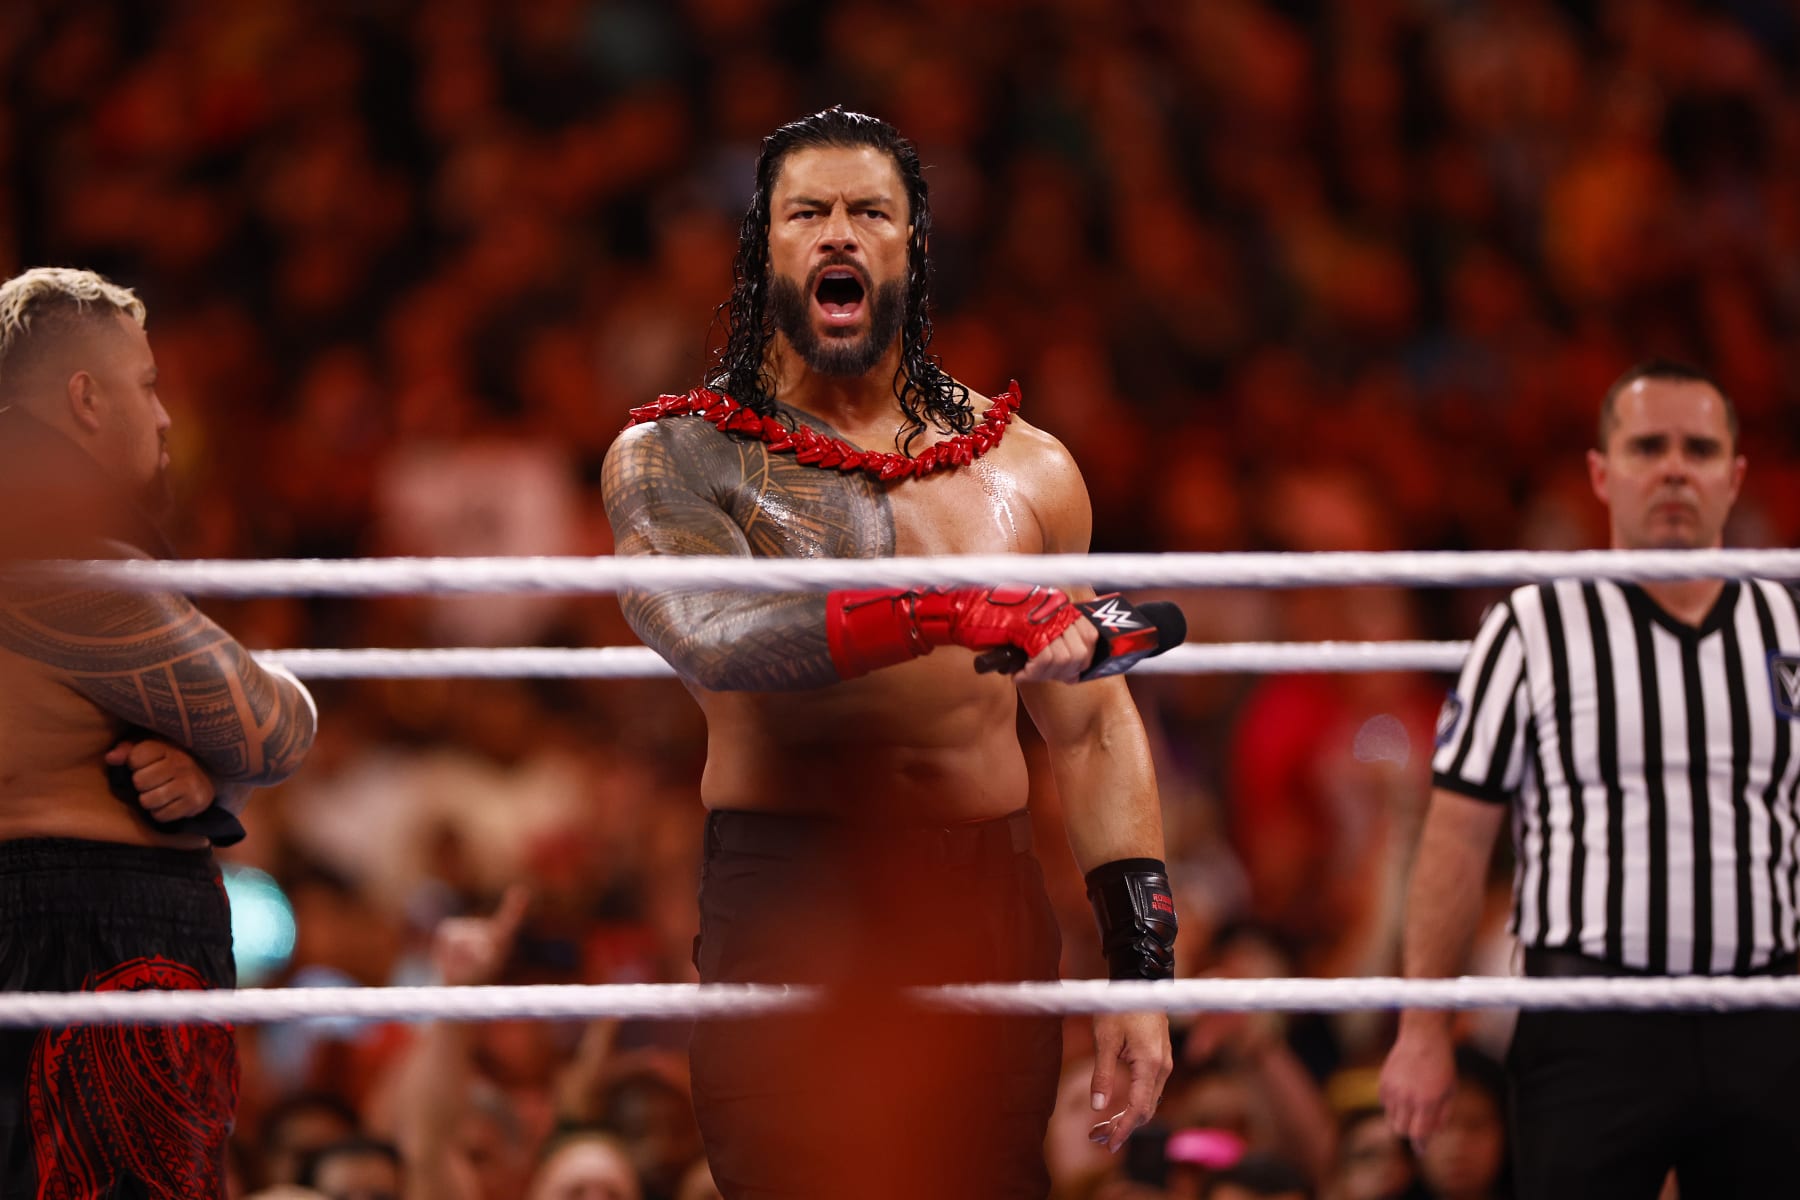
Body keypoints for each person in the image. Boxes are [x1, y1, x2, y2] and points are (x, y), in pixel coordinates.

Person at [601, 108, 1177, 1199]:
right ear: (763, 244)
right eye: (806, 211)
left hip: (983, 891)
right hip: (792, 889)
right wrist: (946, 614)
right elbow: (712, 637)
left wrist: (1140, 972)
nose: (838, 234)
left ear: (912, 244)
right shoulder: (679, 454)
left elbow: (1094, 722)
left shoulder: (1028, 472)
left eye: (870, 211)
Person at [1380, 360, 1800, 1196]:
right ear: (1603, 474)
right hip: (1590, 1020)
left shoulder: (1787, 625)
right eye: (1649, 446)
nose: (1675, 467)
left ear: (1734, 476)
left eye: (1699, 448)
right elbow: (1459, 837)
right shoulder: (1532, 628)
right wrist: (1423, 1027)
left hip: (1767, 1013)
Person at [0, 267, 317, 1193]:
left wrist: (204, 772)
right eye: (146, 385)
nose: (168, 416)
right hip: (86, 941)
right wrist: (234, 750)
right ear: (85, 398)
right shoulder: (58, 561)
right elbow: (276, 728)